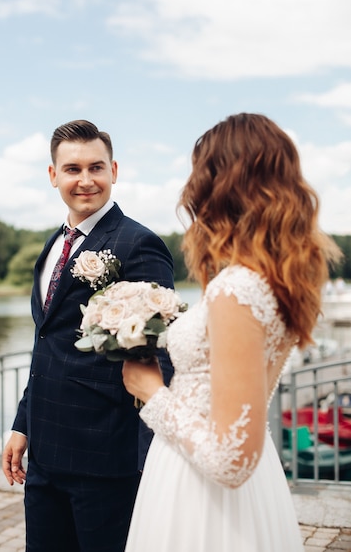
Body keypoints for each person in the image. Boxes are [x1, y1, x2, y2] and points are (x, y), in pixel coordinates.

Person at [122, 113, 340, 552]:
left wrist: (152, 392)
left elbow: (230, 461)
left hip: (202, 491)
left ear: (219, 187)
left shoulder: (237, 290)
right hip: (248, 481)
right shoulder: (274, 283)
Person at [2, 119, 174, 552]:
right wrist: (22, 426)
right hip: (44, 455)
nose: (85, 180)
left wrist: (150, 458)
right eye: (73, 169)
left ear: (114, 171)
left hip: (105, 458)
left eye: (95, 167)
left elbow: (163, 353)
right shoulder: (52, 246)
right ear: (53, 175)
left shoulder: (139, 244)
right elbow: (48, 346)